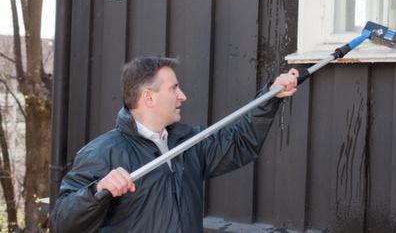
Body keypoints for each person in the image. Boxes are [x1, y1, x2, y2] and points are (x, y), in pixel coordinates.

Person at [51, 57, 299, 232]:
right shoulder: (103, 153)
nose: (183, 96)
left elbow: (240, 142)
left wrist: (270, 96)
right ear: (149, 97)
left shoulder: (188, 143)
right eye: (174, 88)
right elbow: (63, 222)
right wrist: (96, 191)